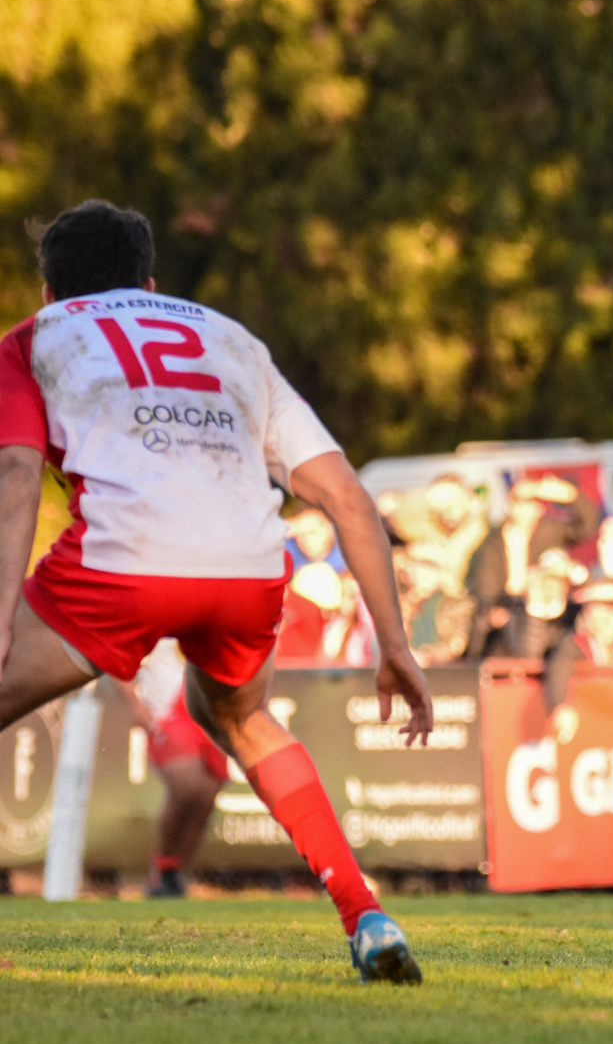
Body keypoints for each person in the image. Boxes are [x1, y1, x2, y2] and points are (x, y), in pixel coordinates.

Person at [0, 201, 431, 984]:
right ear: (152, 282)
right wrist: (396, 646)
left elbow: (16, 471)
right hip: (246, 567)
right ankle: (365, 914)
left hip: (122, 565)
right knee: (239, 717)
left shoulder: (37, 338)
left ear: (51, 293)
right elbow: (346, 496)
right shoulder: (231, 339)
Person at [109, 639, 227, 897]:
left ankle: (171, 871)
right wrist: (135, 704)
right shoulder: (157, 609)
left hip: (209, 711)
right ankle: (161, 866)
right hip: (168, 710)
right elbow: (116, 651)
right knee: (187, 785)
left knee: (205, 796)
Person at [465, 472, 599, 657]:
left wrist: (567, 494)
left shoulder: (550, 532)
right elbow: (485, 589)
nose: (527, 510)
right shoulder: (493, 542)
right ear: (509, 506)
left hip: (547, 614)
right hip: (509, 608)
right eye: (521, 503)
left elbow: (588, 523)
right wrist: (493, 611)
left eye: (534, 505)